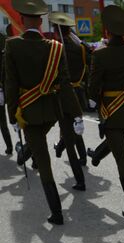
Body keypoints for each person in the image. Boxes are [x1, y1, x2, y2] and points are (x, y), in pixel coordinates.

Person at [5, 0, 83, 224]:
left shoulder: (13, 46)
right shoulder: (54, 47)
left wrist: (12, 116)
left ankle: (56, 213)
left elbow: (11, 85)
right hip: (52, 110)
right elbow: (65, 84)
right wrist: (76, 114)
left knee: (43, 160)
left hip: (27, 112)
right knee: (42, 151)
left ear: (21, 20)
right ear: (41, 21)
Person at [89, 5, 124, 218]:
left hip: (110, 110)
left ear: (107, 31)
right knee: (116, 141)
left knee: (122, 160)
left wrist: (95, 98)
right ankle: (97, 155)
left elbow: (93, 87)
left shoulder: (101, 54)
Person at [49, 12, 88, 168]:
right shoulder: (80, 47)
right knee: (74, 124)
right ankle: (82, 156)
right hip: (78, 90)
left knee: (67, 126)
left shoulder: (57, 48)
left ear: (56, 29)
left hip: (63, 92)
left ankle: (62, 148)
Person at [0, 32, 13, 155]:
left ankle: (9, 147)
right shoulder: (5, 40)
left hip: (3, 87)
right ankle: (9, 147)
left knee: (3, 120)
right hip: (7, 87)